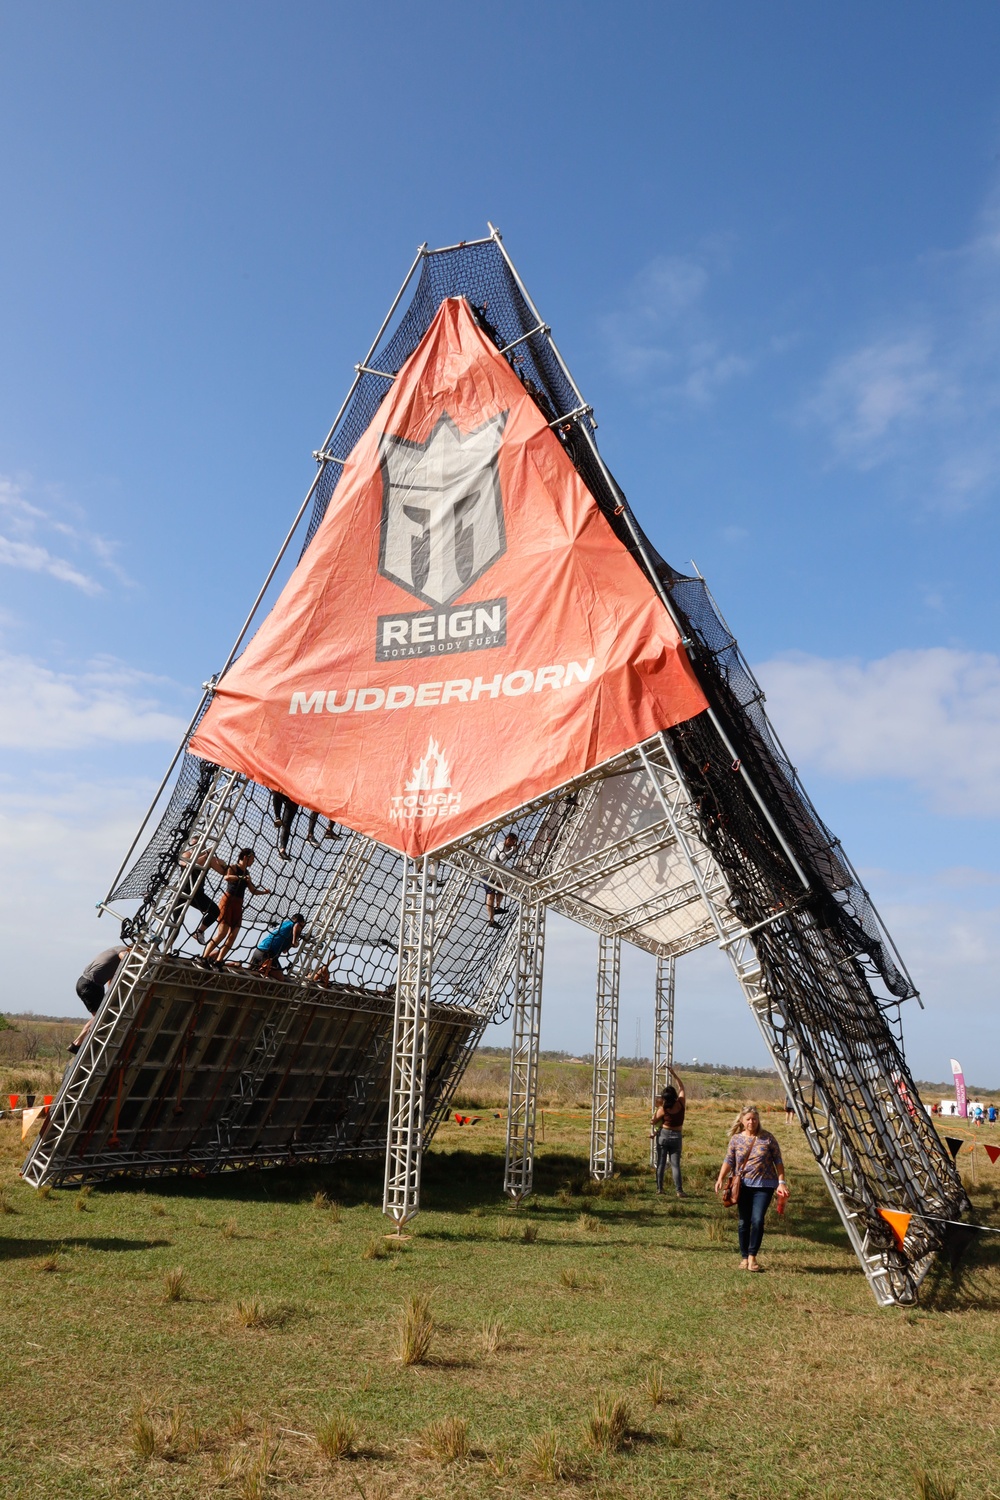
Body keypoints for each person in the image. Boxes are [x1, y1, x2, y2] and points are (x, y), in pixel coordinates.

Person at [715, 1103, 788, 1272]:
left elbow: (778, 1161)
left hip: (764, 1186)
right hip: (743, 1186)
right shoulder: (736, 1139)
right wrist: (720, 1178)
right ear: (741, 1120)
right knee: (743, 1222)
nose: (751, 1122)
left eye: (754, 1119)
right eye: (748, 1119)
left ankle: (753, 1257)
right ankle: (744, 1257)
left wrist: (781, 1182)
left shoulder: (768, 1138)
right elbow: (729, 1160)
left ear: (758, 1120)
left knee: (757, 1220)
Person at [199, 849, 270, 966]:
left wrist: (264, 892)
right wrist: (241, 878)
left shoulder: (247, 873)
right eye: (252, 858)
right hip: (228, 901)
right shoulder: (233, 867)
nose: (253, 861)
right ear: (246, 857)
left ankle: (218, 961)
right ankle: (204, 957)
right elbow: (227, 877)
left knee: (233, 935)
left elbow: (252, 890)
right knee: (222, 933)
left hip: (238, 904)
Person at [69, 945, 131, 1053]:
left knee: (98, 1016)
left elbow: (110, 979)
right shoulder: (121, 949)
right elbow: (126, 958)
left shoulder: (113, 957)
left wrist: (110, 992)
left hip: (85, 983)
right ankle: (77, 1043)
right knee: (101, 1016)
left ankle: (78, 1043)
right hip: (91, 984)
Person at [170, 840, 227, 943]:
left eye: (198, 844)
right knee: (177, 921)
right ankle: (168, 946)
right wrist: (206, 857)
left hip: (197, 893)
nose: (194, 846)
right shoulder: (187, 854)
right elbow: (188, 864)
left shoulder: (209, 859)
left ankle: (199, 931)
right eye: (192, 844)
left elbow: (223, 872)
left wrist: (224, 864)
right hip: (182, 891)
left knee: (215, 911)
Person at [650, 1066, 687, 1197]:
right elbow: (682, 1087)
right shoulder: (681, 1103)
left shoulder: (663, 1108)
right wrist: (674, 1074)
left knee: (661, 1162)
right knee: (675, 1165)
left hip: (663, 1135)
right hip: (677, 1136)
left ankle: (660, 1189)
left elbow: (653, 1121)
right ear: (675, 1095)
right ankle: (679, 1190)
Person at [484, 831, 519, 925]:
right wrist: (514, 850)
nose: (512, 843)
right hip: (488, 871)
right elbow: (503, 856)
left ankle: (497, 907)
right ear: (507, 839)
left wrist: (515, 849)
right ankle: (491, 920)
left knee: (502, 887)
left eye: (514, 842)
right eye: (511, 841)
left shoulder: (508, 848)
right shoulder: (501, 846)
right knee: (490, 895)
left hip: (495, 872)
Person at [271, 792, 299, 860]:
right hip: (284, 789)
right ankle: (277, 817)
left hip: (295, 795)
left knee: (286, 824)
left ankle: (282, 850)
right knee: (276, 791)